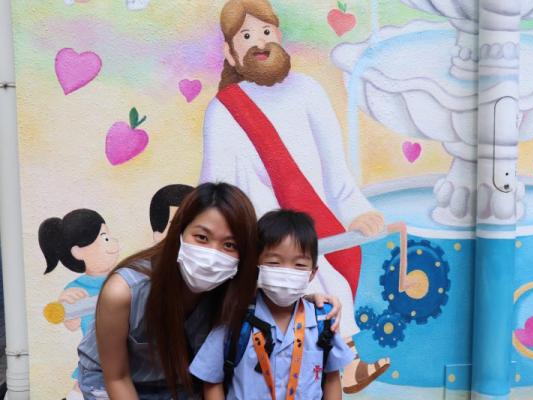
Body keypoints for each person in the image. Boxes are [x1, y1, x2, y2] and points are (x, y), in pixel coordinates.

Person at [200, 0, 388, 392]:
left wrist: (355, 210)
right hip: (260, 237)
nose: (259, 42)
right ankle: (341, 364)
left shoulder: (308, 91)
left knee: (329, 281)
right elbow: (214, 188)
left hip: (313, 222)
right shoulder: (224, 110)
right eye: (246, 35)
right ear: (229, 52)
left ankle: (340, 365)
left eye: (266, 31)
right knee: (311, 288)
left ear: (279, 35)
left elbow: (335, 166)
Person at [77, 183, 340, 399]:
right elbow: (117, 377)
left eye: (229, 245)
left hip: (180, 385)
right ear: (180, 232)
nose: (213, 255)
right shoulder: (123, 291)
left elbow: (278, 296)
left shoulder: (231, 284)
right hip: (114, 382)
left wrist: (311, 301)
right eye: (202, 237)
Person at [190, 209, 354, 400]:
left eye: (299, 265)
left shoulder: (323, 321)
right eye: (274, 262)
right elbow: (212, 380)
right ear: (256, 266)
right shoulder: (235, 320)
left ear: (312, 273)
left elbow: (332, 379)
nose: (287, 273)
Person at [38, 209, 120, 400]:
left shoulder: (123, 276)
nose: (113, 242)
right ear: (78, 251)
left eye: (109, 236)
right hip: (95, 364)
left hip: (126, 359)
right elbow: (72, 324)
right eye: (104, 238)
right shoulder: (75, 290)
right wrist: (65, 303)